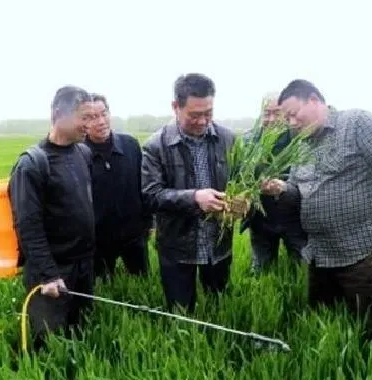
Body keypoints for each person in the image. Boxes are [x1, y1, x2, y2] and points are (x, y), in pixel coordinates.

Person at [264, 79, 372, 343]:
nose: (291, 123)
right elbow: (299, 192)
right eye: (286, 118)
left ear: (313, 100)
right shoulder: (301, 145)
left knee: (371, 333)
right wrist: (281, 189)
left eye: (293, 114)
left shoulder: (357, 123)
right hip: (319, 257)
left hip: (362, 254)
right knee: (325, 329)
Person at [8, 85, 96, 351]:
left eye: (93, 117)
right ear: (59, 114)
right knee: (48, 343)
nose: (89, 125)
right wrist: (48, 275)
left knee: (80, 332)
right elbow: (28, 225)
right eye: (85, 117)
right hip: (53, 271)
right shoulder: (32, 164)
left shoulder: (83, 153)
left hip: (83, 266)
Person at [141, 73, 236, 312]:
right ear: (176, 107)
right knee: (181, 313)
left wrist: (242, 199)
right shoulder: (156, 146)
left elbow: (241, 180)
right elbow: (151, 195)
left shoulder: (228, 139)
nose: (203, 121)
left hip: (218, 245)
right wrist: (194, 197)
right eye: (195, 115)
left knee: (219, 306)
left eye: (209, 113)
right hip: (177, 247)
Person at [84, 93, 152, 281]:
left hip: (134, 234)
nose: (100, 121)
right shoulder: (78, 154)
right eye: (90, 117)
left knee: (142, 281)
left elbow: (143, 186)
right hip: (98, 239)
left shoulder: (130, 144)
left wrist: (149, 223)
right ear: (82, 122)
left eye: (103, 114)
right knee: (104, 287)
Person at [240, 92, 307, 275]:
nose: (270, 119)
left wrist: (283, 187)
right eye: (266, 113)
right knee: (261, 269)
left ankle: (302, 299)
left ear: (286, 114)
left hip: (294, 216)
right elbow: (238, 176)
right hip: (261, 217)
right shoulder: (248, 141)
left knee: (303, 267)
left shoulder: (299, 140)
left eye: (276, 113)